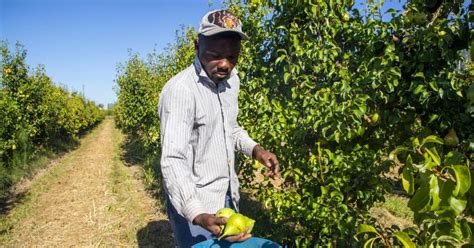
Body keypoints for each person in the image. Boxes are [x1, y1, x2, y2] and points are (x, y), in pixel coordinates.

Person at [158, 9, 280, 247]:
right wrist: (197, 214)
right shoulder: (181, 91)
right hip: (194, 202)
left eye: (233, 57)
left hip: (227, 193)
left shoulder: (232, 81)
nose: (225, 64)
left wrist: (257, 150)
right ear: (197, 46)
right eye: (215, 55)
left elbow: (230, 128)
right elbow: (173, 159)